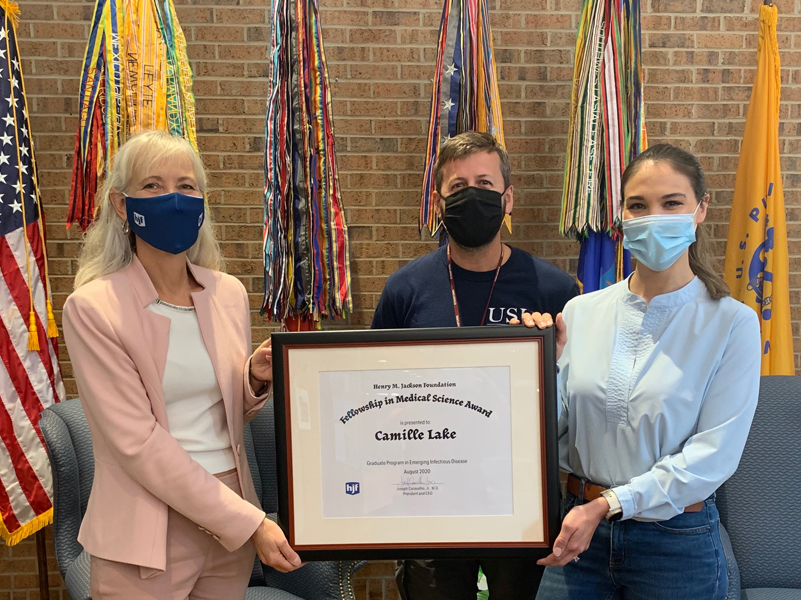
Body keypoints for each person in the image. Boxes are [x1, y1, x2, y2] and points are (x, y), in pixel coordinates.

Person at [62, 131, 301, 600]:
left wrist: (252, 379)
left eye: (187, 186)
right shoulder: (92, 308)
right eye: (152, 185)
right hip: (145, 530)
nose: (174, 198)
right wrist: (249, 522)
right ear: (120, 204)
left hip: (228, 522)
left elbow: (221, 417)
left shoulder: (226, 293)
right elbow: (138, 443)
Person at [518, 144, 761, 600]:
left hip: (676, 542)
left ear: (701, 209)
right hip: (579, 535)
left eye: (671, 203)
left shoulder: (731, 323)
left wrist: (612, 503)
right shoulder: (581, 311)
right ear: (622, 216)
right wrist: (535, 371)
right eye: (638, 205)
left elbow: (713, 456)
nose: (653, 217)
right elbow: (554, 433)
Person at [372, 131, 579, 600]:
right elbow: (377, 392)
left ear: (508, 198)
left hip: (522, 501)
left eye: (484, 184)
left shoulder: (554, 289)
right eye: (458, 187)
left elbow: (576, 398)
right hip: (430, 500)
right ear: (439, 202)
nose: (472, 196)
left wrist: (556, 357)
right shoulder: (405, 290)